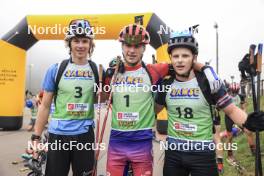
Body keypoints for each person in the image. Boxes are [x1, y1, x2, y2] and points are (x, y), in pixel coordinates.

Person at [155, 31, 264, 176]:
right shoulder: (166, 83)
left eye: (185, 56)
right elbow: (154, 111)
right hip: (174, 154)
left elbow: (231, 110)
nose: (180, 60)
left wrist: (249, 122)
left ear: (194, 58)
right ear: (171, 58)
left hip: (202, 155)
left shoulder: (207, 82)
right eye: (176, 56)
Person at [29, 19, 98, 176]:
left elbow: (104, 97)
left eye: (85, 41)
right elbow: (45, 106)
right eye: (76, 40)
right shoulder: (56, 69)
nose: (80, 45)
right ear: (69, 43)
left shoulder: (95, 70)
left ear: (90, 44)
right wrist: (36, 137)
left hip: (84, 135)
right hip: (58, 135)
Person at [224, 82, 256, 166]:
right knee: (230, 137)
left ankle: (254, 151)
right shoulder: (226, 96)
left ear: (238, 90)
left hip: (237, 116)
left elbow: (243, 106)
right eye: (232, 92)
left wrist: (244, 114)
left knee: (248, 131)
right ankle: (229, 155)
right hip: (228, 117)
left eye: (236, 92)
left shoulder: (241, 96)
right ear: (230, 90)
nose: (234, 94)